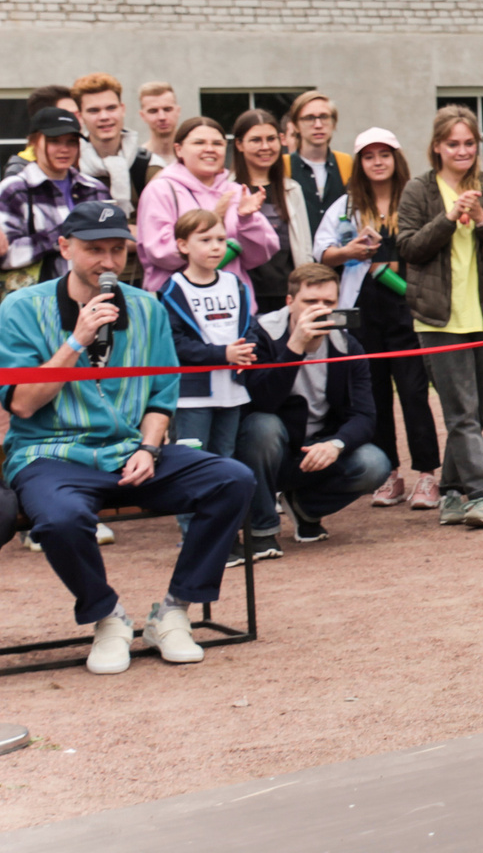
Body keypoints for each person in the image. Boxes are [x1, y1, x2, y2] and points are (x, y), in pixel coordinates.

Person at [1, 200, 255, 674]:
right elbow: (21, 404)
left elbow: (162, 396)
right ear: (64, 248)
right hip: (49, 453)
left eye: (118, 251)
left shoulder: (147, 307)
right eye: (94, 250)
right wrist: (76, 341)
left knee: (233, 479)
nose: (109, 263)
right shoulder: (19, 308)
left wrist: (149, 446)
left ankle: (174, 611)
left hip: (129, 451)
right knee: (59, 520)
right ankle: (106, 616)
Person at [397, 105, 483, 529]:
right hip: (438, 319)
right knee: (462, 412)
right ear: (437, 147)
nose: (463, 150)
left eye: (470, 143)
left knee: (472, 412)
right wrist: (449, 218)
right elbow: (410, 249)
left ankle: (451, 492)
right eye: (453, 143)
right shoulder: (419, 189)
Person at [316, 128, 439, 509]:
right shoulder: (346, 205)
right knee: (375, 395)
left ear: (397, 158)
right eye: (369, 156)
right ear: (359, 164)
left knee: (415, 393)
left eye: (384, 154)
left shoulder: (416, 198)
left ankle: (427, 475)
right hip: (363, 310)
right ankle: (389, 474)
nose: (377, 162)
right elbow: (321, 252)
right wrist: (347, 250)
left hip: (408, 307)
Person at [239, 263, 394, 548]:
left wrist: (336, 444)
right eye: (310, 302)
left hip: (317, 448)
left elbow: (365, 415)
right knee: (262, 425)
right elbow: (262, 400)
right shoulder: (261, 333)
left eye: (328, 302)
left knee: (374, 463)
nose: (320, 309)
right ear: (290, 302)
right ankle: (262, 529)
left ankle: (305, 508)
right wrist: (295, 346)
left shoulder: (347, 344)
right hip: (268, 447)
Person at [158, 207, 259, 510]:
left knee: (225, 458)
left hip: (232, 391)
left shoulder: (234, 283)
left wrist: (247, 350)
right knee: (191, 461)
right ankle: (193, 531)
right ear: (183, 245)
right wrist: (222, 354)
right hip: (192, 396)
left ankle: (223, 528)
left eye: (220, 239)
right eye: (205, 239)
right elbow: (174, 344)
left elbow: (249, 325)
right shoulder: (173, 289)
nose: (216, 246)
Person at [135, 115, 277, 292]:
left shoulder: (236, 191)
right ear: (178, 150)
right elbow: (161, 253)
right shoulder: (160, 190)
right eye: (199, 143)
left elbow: (260, 255)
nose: (209, 149)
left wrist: (246, 222)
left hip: (232, 302)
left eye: (217, 144)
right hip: (179, 305)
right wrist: (214, 219)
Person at [1, 107, 109, 289]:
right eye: (54, 141)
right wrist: (62, 235)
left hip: (90, 295)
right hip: (34, 300)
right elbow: (5, 255)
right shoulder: (15, 190)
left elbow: (108, 247)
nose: (64, 149)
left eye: (72, 142)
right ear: (34, 142)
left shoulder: (94, 188)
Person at [228, 109, 314, 312]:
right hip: (243, 292)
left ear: (281, 140)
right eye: (256, 140)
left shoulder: (292, 189)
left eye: (271, 139)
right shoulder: (227, 190)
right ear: (239, 144)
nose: (265, 147)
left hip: (286, 293)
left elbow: (304, 247)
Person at [69, 74, 155, 208]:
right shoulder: (70, 168)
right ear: (80, 117)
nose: (104, 117)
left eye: (111, 108)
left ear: (123, 109)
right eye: (94, 110)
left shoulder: (150, 167)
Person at [284, 91, 353, 217]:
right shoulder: (284, 165)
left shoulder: (345, 162)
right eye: (309, 118)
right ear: (295, 126)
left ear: (334, 123)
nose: (318, 125)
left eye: (324, 117)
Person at [136, 82, 181, 169]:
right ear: (142, 115)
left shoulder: (192, 156)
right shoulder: (137, 160)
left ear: (178, 111)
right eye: (153, 111)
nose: (162, 117)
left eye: (167, 109)